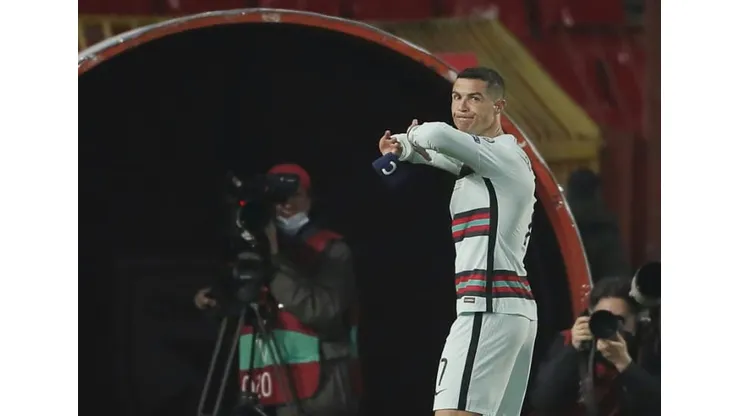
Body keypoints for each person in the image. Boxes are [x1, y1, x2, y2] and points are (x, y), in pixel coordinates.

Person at [376, 67, 538, 416]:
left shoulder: (500, 154)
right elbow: (442, 156)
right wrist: (404, 150)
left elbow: (437, 135)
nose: (462, 107)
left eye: (474, 98)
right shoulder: (489, 162)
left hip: (488, 307)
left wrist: (412, 134)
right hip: (510, 310)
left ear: (499, 107)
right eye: (456, 97)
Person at [195, 163, 360, 416]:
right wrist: (217, 300)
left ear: (310, 200)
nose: (286, 204)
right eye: (277, 198)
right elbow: (243, 315)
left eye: (294, 195)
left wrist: (274, 263)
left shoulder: (331, 250)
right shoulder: (256, 249)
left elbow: (322, 310)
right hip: (267, 386)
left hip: (320, 390)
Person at [528, 276, 660, 415]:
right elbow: (543, 401)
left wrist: (625, 365)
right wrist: (572, 351)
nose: (610, 327)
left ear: (637, 322)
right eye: (602, 318)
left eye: (619, 320)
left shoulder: (648, 347)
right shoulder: (569, 340)